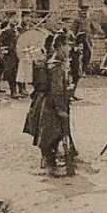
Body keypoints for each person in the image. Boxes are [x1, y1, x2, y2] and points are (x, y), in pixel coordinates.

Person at [36, 33, 74, 176]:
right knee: (52, 134)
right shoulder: (57, 65)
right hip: (53, 104)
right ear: (60, 47)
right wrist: (60, 109)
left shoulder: (55, 62)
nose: (69, 48)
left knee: (52, 133)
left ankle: (48, 161)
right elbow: (57, 89)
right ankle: (50, 166)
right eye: (67, 45)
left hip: (50, 102)